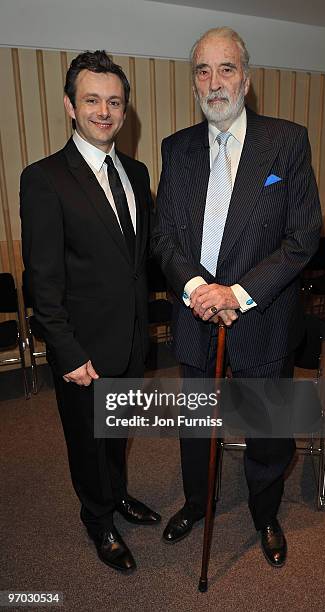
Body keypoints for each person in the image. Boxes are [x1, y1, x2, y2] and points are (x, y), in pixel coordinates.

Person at [152, 27, 322, 567]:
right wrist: (200, 290)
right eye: (203, 70)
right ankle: (199, 501)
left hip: (262, 316)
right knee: (195, 421)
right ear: (194, 82)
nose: (214, 81)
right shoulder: (175, 149)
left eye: (226, 69)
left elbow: (303, 237)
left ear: (246, 79)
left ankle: (265, 511)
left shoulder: (287, 142)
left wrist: (239, 293)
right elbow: (164, 237)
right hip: (196, 314)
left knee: (267, 429)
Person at [20, 50, 160, 573]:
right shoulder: (44, 178)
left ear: (125, 110)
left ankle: (118, 495)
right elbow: (43, 280)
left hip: (129, 339)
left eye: (115, 101)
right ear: (70, 106)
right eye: (92, 100)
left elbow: (137, 262)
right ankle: (97, 517)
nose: (105, 111)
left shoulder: (138, 171)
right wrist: (68, 350)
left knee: (118, 430)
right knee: (88, 438)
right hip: (81, 348)